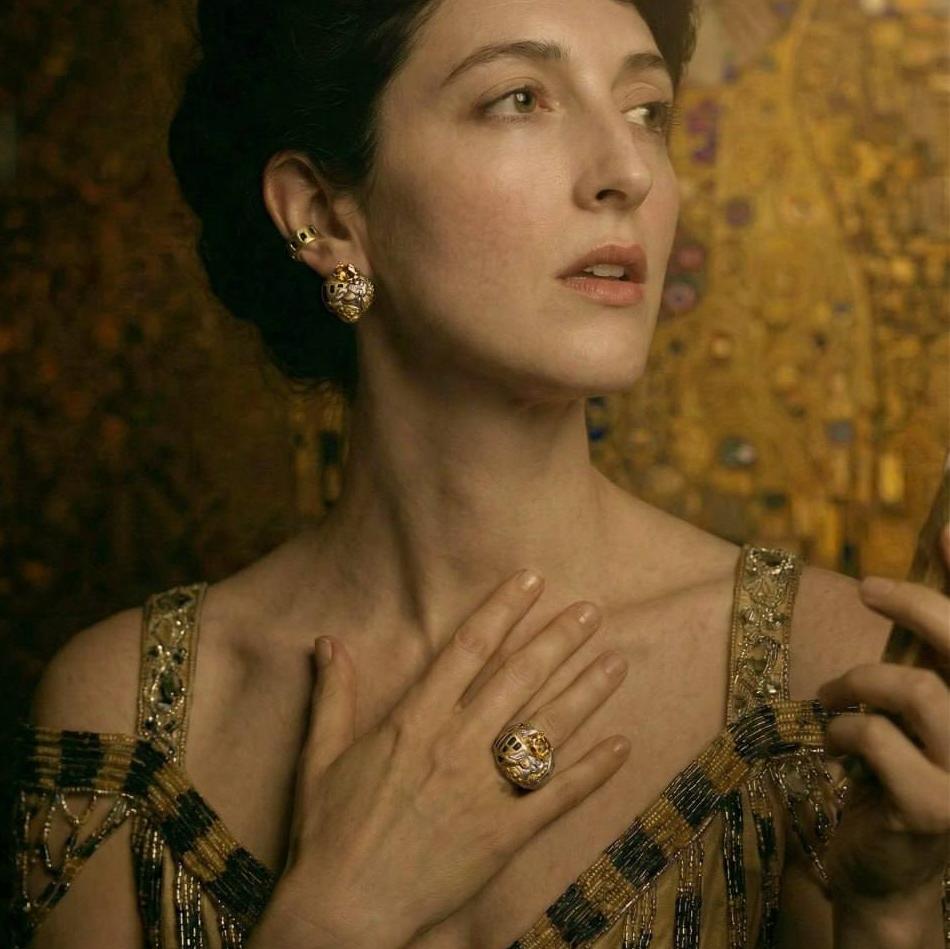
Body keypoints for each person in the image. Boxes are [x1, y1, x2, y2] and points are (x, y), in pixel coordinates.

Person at [9, 0, 949, 946]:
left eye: (644, 111)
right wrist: (335, 914)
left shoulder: (833, 678)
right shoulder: (128, 713)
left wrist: (894, 915)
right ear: (324, 216)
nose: (626, 171)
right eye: (520, 99)